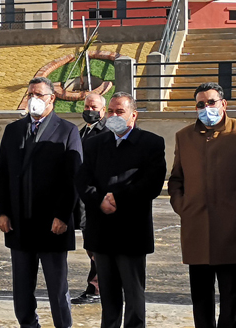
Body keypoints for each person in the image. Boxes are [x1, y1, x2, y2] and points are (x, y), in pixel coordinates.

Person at [168, 82, 236, 328]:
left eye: (211, 102)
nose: (206, 107)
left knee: (231, 295)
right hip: (195, 227)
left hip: (230, 226)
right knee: (200, 295)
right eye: (200, 104)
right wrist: (182, 206)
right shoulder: (184, 136)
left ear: (223, 104)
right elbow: (176, 178)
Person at [0, 76, 83, 328]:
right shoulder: (13, 130)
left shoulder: (67, 130)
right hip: (19, 222)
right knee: (22, 289)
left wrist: (63, 215)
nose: (33, 99)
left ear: (52, 98)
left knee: (57, 288)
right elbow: (3, 174)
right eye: (30, 94)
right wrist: (2, 212)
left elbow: (73, 178)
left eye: (39, 94)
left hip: (52, 224)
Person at [75, 92, 166, 328]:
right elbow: (83, 180)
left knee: (134, 294)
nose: (114, 116)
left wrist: (118, 198)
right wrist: (99, 200)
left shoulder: (151, 143)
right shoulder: (94, 143)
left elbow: (152, 184)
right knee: (108, 295)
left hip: (131, 230)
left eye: (120, 112)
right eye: (111, 111)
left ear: (133, 115)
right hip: (101, 229)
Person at [71, 92, 107, 306]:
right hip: (82, 198)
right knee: (90, 244)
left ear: (103, 110)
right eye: (86, 106)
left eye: (94, 107)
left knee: (96, 247)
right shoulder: (81, 131)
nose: (89, 110)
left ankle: (96, 288)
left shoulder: (106, 133)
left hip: (96, 198)